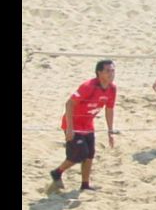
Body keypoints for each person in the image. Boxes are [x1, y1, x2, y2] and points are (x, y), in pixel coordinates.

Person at [47, 60, 118, 194]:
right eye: (108, 71)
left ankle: (85, 185)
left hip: (88, 125)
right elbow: (69, 104)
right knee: (80, 154)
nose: (111, 74)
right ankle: (57, 172)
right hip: (73, 124)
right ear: (99, 73)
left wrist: (110, 131)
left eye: (113, 70)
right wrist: (70, 128)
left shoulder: (112, 89)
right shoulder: (88, 86)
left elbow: (109, 109)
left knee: (90, 154)